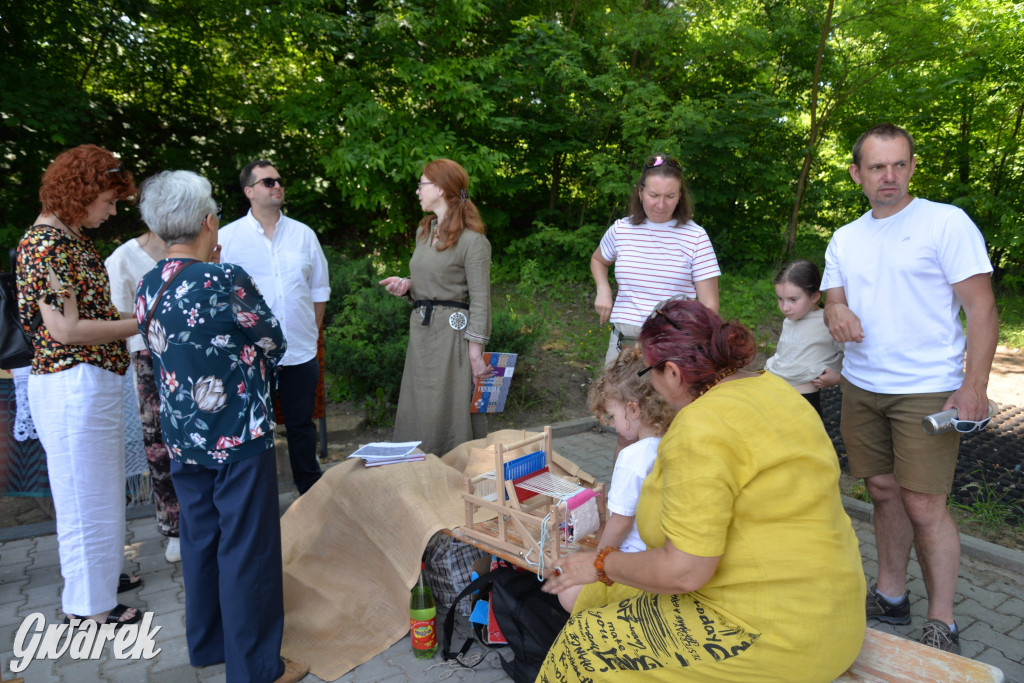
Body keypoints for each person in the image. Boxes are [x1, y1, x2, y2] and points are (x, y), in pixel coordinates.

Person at [539, 299, 865, 682]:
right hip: (833, 612)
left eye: (649, 372)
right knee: (595, 597)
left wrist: (599, 563)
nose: (650, 385)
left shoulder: (700, 427)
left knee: (584, 645)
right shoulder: (776, 390)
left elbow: (684, 572)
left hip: (774, 632)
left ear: (674, 373)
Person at [822, 123, 998, 654]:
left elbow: (983, 310)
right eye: (877, 167)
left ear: (913, 167)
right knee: (880, 491)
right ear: (857, 174)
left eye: (900, 164)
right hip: (861, 385)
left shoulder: (945, 223)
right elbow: (833, 297)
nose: (890, 176)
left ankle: (942, 621)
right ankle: (891, 596)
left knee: (924, 504)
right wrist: (836, 310)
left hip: (928, 390)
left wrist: (975, 386)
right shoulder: (846, 236)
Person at [134, 170, 307, 683]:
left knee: (200, 537)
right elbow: (275, 340)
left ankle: (207, 644)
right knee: (247, 545)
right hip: (236, 432)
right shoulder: (223, 278)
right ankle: (255, 667)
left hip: (182, 434)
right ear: (209, 222)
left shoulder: (147, 283)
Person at [15, 144, 143, 627]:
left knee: (103, 490)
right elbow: (65, 331)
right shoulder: (45, 246)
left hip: (93, 382)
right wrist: (142, 324)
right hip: (72, 385)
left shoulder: (71, 241)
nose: (112, 210)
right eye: (108, 200)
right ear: (82, 192)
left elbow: (88, 317)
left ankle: (104, 578)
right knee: (83, 498)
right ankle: (89, 608)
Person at [590, 154, 721, 456]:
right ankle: (622, 502)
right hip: (624, 348)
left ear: (680, 197)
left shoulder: (695, 237)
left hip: (670, 354)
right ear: (640, 193)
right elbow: (599, 259)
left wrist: (696, 352)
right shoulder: (621, 230)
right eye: (653, 195)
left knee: (667, 434)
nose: (660, 204)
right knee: (626, 434)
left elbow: (710, 306)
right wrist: (603, 289)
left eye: (669, 196)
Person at [218, 160, 330, 495]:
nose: (277, 186)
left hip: (299, 350)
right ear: (249, 191)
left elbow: (319, 289)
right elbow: (219, 298)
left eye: (279, 180)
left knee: (301, 426)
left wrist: (311, 333)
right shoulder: (227, 239)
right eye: (268, 182)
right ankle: (257, 498)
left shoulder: (303, 234)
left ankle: (311, 495)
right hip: (250, 354)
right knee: (253, 428)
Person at [380, 159, 492, 456]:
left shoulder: (473, 242)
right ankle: (417, 473)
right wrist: (407, 284)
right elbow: (428, 279)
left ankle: (453, 476)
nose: (417, 190)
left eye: (422, 184)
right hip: (422, 332)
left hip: (452, 338)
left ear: (441, 189)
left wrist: (475, 351)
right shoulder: (424, 232)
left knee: (447, 407)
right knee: (419, 405)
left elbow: (480, 299)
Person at [558, 344, 675, 613]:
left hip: (633, 563)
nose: (610, 423)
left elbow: (621, 521)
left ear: (634, 410)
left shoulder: (632, 457)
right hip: (659, 556)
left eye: (613, 415)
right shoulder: (672, 442)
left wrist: (599, 560)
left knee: (565, 589)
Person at [105, 229, 182, 562]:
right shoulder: (122, 257)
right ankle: (174, 528)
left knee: (200, 439)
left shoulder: (196, 245)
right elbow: (115, 315)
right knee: (158, 444)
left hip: (193, 350)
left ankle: (210, 520)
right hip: (148, 355)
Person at [764, 259, 843, 417]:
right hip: (774, 390)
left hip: (804, 399)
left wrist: (838, 377)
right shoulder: (790, 319)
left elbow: (851, 355)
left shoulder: (827, 321)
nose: (785, 307)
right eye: (780, 299)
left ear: (814, 296)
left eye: (793, 300)